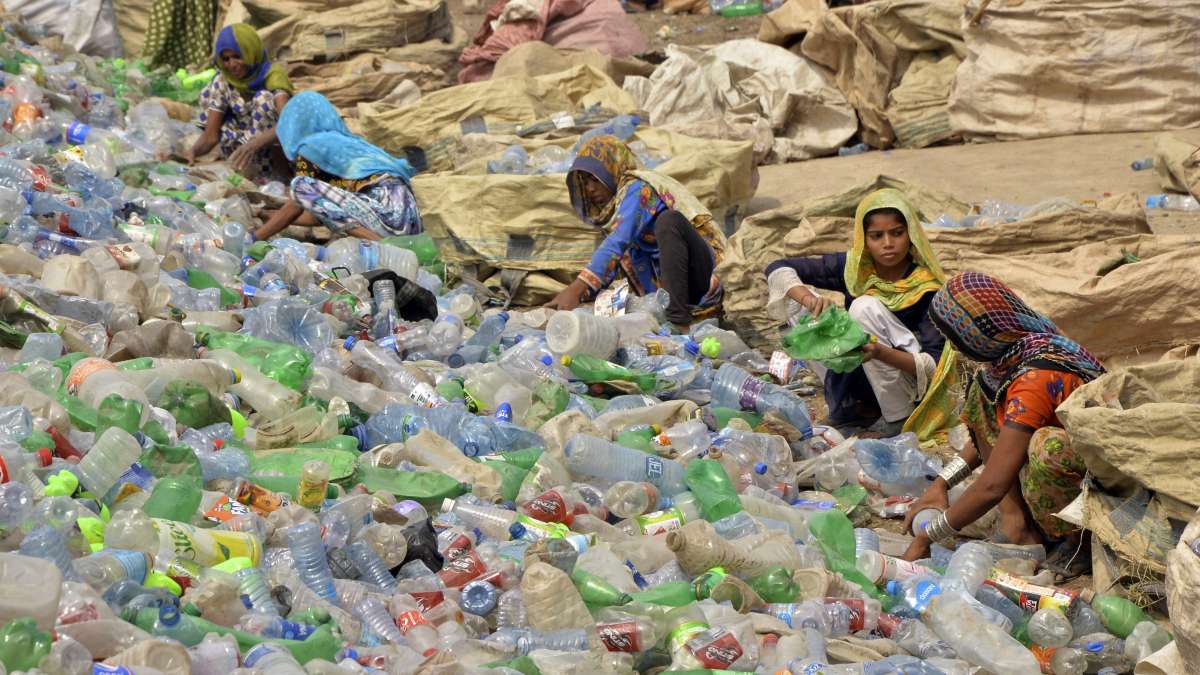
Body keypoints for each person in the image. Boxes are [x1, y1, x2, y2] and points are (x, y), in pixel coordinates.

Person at [900, 272, 1105, 565]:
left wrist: (928, 535)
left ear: (976, 333)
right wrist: (942, 482)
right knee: (981, 391)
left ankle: (1077, 541)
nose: (952, 346)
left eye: (954, 337)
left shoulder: (1036, 375)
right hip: (1052, 464)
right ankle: (1017, 525)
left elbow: (993, 484)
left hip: (1094, 476)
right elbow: (994, 428)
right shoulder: (1012, 354)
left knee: (1047, 448)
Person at [763, 188, 958, 438]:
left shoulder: (927, 288)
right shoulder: (854, 268)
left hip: (905, 382)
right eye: (877, 236)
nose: (888, 244)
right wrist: (810, 300)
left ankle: (896, 418)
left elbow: (934, 366)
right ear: (864, 239)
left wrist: (879, 352)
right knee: (800, 305)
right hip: (861, 369)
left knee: (863, 307)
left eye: (897, 233)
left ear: (911, 235)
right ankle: (852, 406)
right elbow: (778, 268)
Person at [544, 136, 726, 331]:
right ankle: (672, 319)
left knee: (668, 221)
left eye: (595, 179)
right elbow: (609, 269)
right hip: (672, 294)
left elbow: (617, 241)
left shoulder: (638, 188)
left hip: (702, 277)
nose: (589, 189)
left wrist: (575, 288)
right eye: (585, 182)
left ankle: (679, 325)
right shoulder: (614, 212)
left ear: (612, 168)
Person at [254, 92, 422, 242]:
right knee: (310, 196)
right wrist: (268, 215)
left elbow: (296, 205)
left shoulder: (310, 146)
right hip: (410, 222)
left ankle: (382, 245)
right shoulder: (350, 144)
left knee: (300, 186)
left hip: (388, 217)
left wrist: (254, 238)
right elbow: (322, 212)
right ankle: (385, 242)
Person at [187, 24, 292, 177]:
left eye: (237, 56)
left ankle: (280, 175)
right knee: (209, 91)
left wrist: (255, 143)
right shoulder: (223, 80)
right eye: (226, 59)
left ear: (251, 52)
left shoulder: (273, 75)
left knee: (264, 99)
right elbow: (211, 136)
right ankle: (242, 171)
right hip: (239, 157)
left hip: (270, 153)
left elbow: (287, 123)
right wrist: (193, 151)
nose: (232, 65)